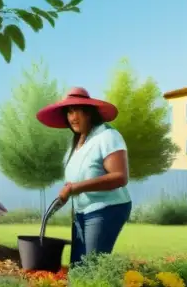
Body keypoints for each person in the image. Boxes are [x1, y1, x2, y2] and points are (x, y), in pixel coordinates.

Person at [36, 87, 132, 267]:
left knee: (90, 267)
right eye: (69, 112)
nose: (73, 117)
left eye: (78, 111)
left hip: (106, 208)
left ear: (89, 113)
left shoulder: (107, 136)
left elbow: (120, 177)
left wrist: (74, 189)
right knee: (77, 267)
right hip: (83, 211)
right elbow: (75, 178)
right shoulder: (78, 142)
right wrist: (67, 194)